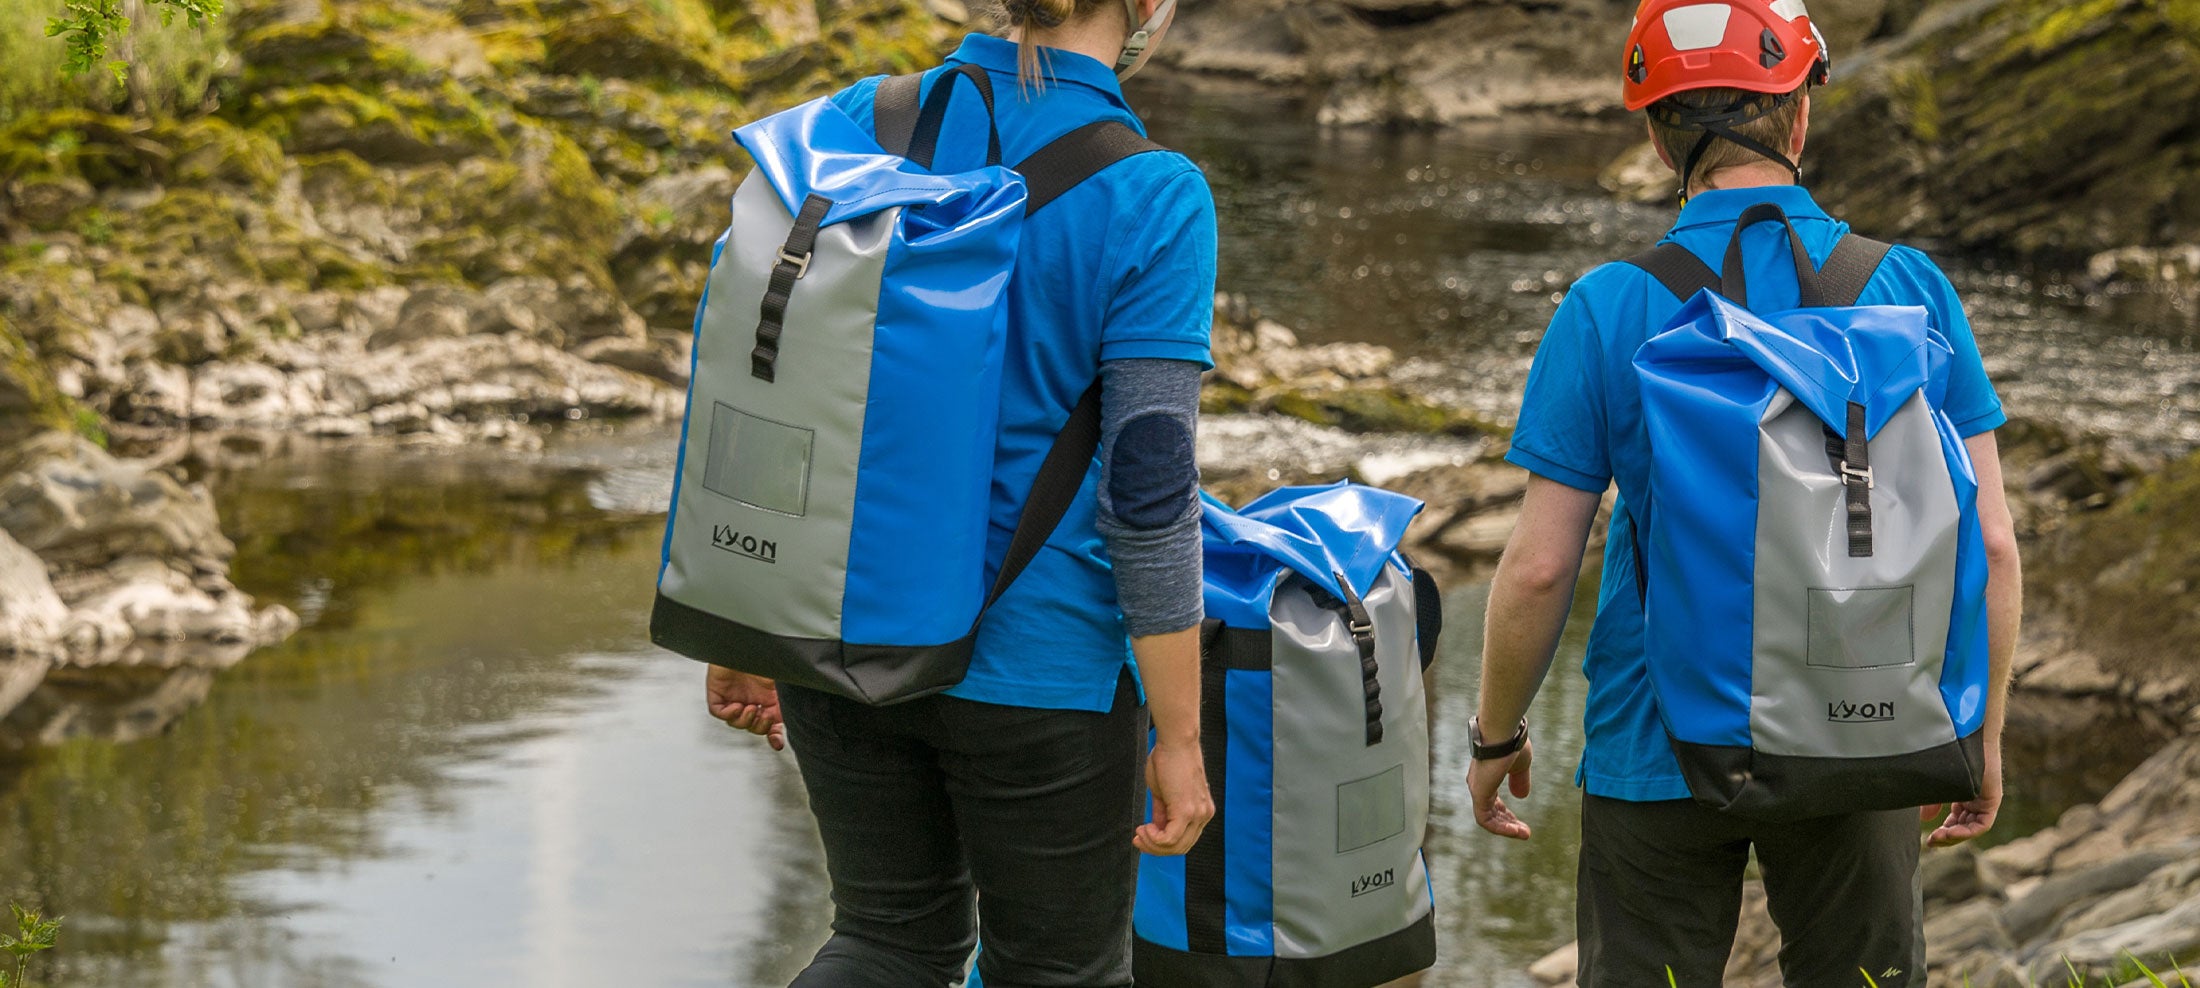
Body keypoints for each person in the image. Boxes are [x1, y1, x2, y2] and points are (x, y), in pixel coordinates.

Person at [1463, 0, 2024, 984]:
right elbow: (1992, 539)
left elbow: (1542, 566)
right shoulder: (1910, 287)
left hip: (1657, 740)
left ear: (1656, 138)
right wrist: (1978, 728)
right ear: (1800, 116)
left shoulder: (1608, 303)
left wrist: (1496, 734)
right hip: (1866, 725)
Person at [704, 2, 1218, 985]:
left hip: (834, 624)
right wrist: (1181, 733)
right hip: (1042, 667)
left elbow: (758, 379)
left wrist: (745, 621)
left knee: (885, 942)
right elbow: (1150, 490)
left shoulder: (849, 124)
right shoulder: (1154, 193)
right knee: (1057, 971)